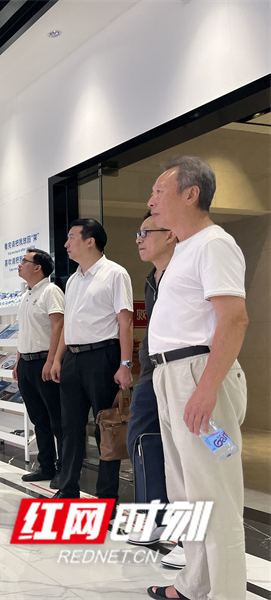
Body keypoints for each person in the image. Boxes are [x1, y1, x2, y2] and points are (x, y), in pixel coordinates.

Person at [146, 156, 247, 600]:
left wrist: (206, 390)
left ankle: (226, 593)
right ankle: (194, 583)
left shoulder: (214, 244)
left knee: (215, 493)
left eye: (158, 191)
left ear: (191, 194)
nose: (151, 200)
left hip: (198, 376)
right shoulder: (185, 248)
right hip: (172, 375)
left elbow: (234, 319)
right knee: (187, 491)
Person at [50, 218, 133, 503]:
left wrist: (125, 365)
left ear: (90, 241)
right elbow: (68, 323)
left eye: (71, 237)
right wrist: (58, 359)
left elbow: (125, 322)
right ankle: (67, 488)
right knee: (70, 427)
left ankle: (107, 497)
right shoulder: (73, 279)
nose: (66, 244)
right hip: (73, 358)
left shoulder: (115, 273)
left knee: (106, 427)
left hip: (103, 356)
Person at [126, 211, 186, 570]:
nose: (139, 238)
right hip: (154, 372)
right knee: (142, 439)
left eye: (146, 232)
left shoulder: (189, 270)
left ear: (171, 234)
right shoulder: (153, 279)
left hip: (189, 372)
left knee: (198, 452)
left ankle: (191, 537)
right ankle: (155, 517)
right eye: (138, 232)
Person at [13, 248, 65, 489]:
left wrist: (52, 360)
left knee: (57, 419)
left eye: (25, 261)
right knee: (38, 419)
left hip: (45, 360)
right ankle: (46, 466)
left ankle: (64, 469)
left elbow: (59, 326)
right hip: (27, 363)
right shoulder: (27, 294)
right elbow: (25, 331)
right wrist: (18, 361)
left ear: (38, 267)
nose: (20, 264)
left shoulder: (51, 291)